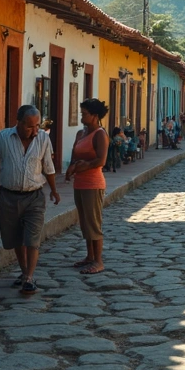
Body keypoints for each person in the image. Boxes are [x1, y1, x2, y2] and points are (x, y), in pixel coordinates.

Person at [0, 105, 61, 294]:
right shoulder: (3, 137)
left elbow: (48, 167)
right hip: (9, 196)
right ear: (18, 123)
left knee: (32, 238)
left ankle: (29, 277)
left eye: (37, 126)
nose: (34, 131)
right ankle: (25, 271)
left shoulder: (43, 138)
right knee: (16, 238)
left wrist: (54, 190)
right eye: (29, 126)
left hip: (34, 196)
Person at [65, 99, 108, 276]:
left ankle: (98, 261)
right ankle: (89, 256)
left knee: (93, 222)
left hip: (93, 184)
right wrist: (72, 167)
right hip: (80, 183)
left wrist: (84, 166)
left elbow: (101, 160)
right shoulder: (80, 134)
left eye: (84, 114)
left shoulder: (100, 134)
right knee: (84, 222)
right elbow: (75, 155)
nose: (81, 116)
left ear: (95, 116)